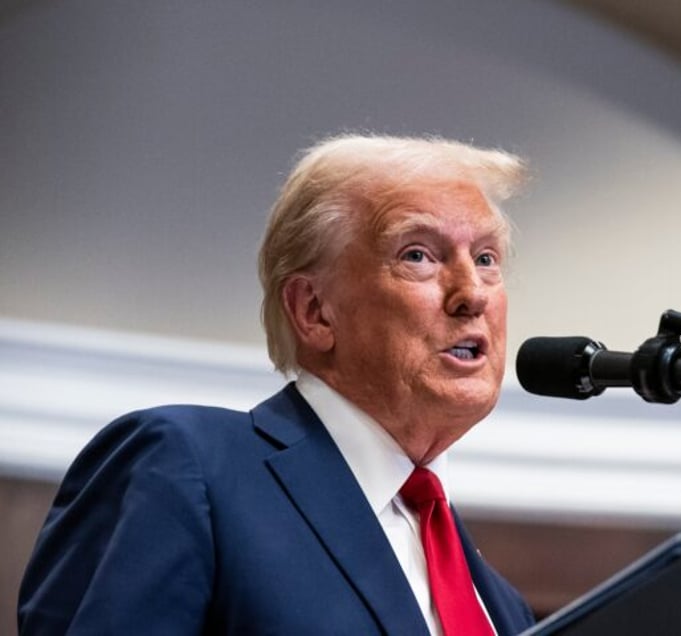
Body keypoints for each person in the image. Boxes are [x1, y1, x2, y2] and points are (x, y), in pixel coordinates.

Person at [18, 133, 535, 635]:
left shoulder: (502, 608)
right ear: (313, 311)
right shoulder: (185, 466)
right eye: (418, 255)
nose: (472, 293)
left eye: (486, 259)